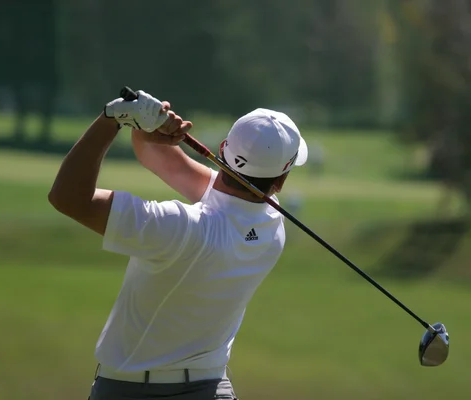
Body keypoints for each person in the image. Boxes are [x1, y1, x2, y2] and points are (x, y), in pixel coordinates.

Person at [48, 89, 308, 400]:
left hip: (127, 390)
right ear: (279, 182)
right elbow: (162, 161)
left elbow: (67, 197)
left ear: (223, 148)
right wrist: (149, 135)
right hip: (211, 389)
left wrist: (112, 120)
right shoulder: (271, 224)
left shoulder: (176, 228)